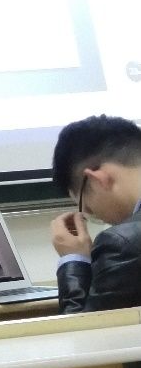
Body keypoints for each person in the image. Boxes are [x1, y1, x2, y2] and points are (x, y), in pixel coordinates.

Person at [48, 115, 141, 313]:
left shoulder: (122, 244)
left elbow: (82, 328)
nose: (101, 218)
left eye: (88, 208)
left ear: (98, 179)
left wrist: (74, 260)